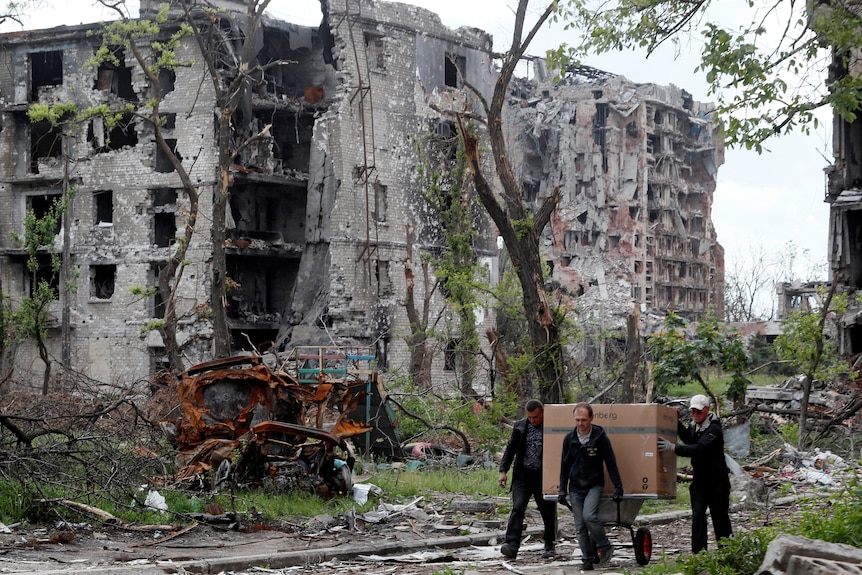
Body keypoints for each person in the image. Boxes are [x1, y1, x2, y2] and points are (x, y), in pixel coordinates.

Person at [658, 393, 732, 554]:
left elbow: (699, 449)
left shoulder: (714, 430)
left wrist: (673, 448)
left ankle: (728, 552)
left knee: (719, 518)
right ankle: (699, 554)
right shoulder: (695, 425)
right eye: (693, 411)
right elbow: (689, 439)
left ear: (707, 410)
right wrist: (676, 423)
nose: (695, 414)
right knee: (698, 516)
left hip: (717, 482)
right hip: (700, 481)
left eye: (699, 411)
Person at [558, 402, 623, 570]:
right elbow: (564, 466)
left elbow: (611, 462)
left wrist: (618, 487)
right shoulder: (569, 439)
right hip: (575, 487)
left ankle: (604, 545)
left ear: (591, 418)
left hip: (594, 484)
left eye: (584, 420)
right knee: (579, 525)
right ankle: (587, 558)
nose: (580, 424)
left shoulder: (600, 437)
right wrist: (561, 489)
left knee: (589, 517)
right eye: (577, 420)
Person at [498, 399, 557, 560]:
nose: (532, 420)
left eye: (536, 417)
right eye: (530, 417)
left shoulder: (552, 428)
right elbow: (510, 449)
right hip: (522, 475)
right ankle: (511, 545)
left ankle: (550, 544)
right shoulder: (520, 426)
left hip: (543, 476)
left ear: (543, 413)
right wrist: (503, 470)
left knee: (547, 512)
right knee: (517, 507)